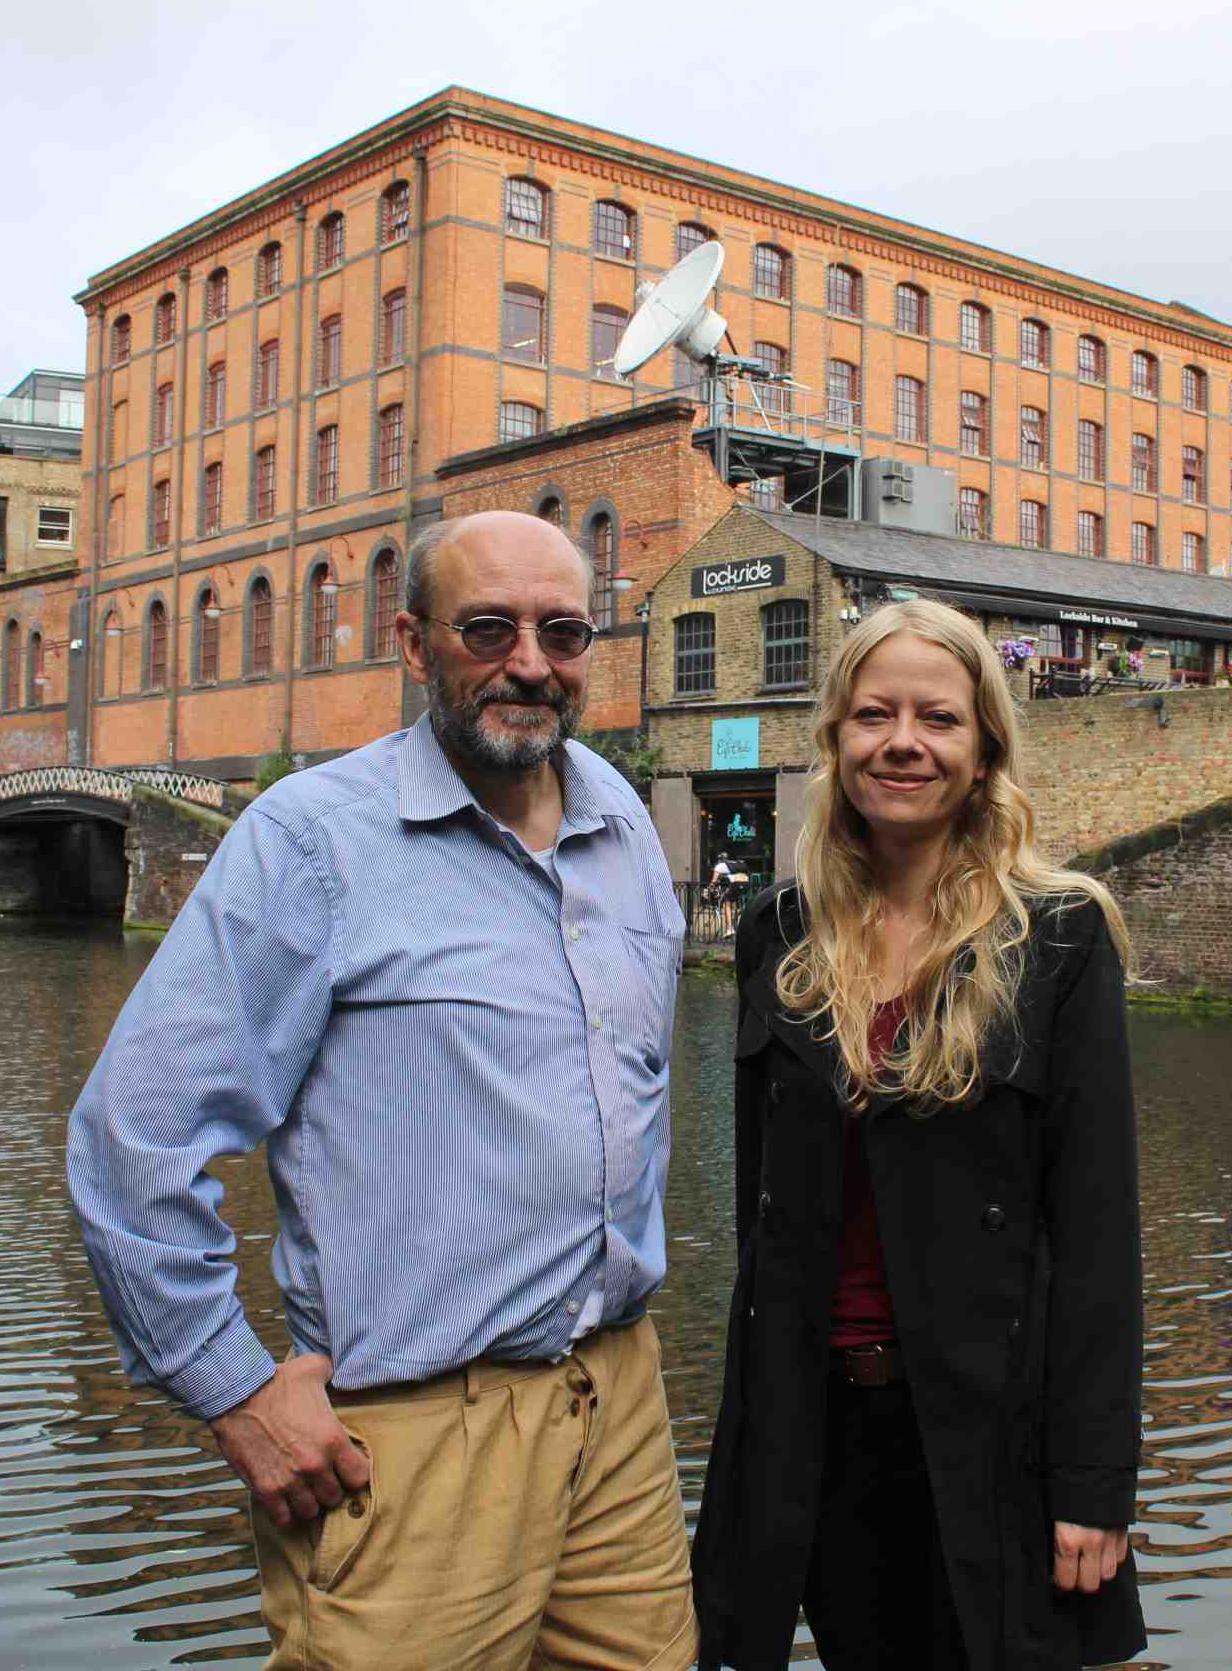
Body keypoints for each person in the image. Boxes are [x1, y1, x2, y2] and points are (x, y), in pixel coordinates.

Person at [66, 509, 695, 1670]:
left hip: (617, 1409)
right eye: (489, 628)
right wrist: (235, 1393)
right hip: (411, 1438)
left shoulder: (622, 828)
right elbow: (132, 1139)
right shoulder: (314, 841)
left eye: (563, 633)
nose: (529, 664)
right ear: (414, 644)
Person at [692, 599, 1146, 1671]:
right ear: (837, 741)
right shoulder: (778, 931)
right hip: (817, 1425)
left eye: (937, 719)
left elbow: (1096, 1239)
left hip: (991, 1428)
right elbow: (767, 1231)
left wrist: (1092, 1484)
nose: (904, 742)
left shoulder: (1060, 937)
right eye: (874, 715)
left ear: (984, 745)